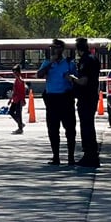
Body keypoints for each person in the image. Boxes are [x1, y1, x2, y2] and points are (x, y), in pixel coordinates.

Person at [37, 38, 78, 166]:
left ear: (61, 49)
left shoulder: (69, 63)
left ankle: (71, 157)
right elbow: (39, 75)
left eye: (55, 47)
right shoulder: (47, 63)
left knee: (70, 129)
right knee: (53, 129)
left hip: (65, 98)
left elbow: (76, 78)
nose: (52, 50)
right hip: (52, 99)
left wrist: (71, 79)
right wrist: (50, 63)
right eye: (52, 48)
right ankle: (56, 157)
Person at [67, 38, 101, 167]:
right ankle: (92, 154)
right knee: (89, 125)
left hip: (86, 97)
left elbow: (83, 81)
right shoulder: (94, 58)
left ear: (79, 49)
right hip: (92, 96)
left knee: (86, 126)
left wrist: (72, 78)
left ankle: (90, 155)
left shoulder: (85, 61)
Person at [8, 64, 27, 135]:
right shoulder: (16, 80)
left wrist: (17, 76)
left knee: (19, 114)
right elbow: (14, 90)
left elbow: (21, 83)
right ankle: (20, 123)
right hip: (15, 99)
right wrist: (10, 99)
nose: (14, 74)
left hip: (19, 99)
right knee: (11, 111)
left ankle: (20, 128)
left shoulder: (20, 79)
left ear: (18, 72)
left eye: (15, 72)